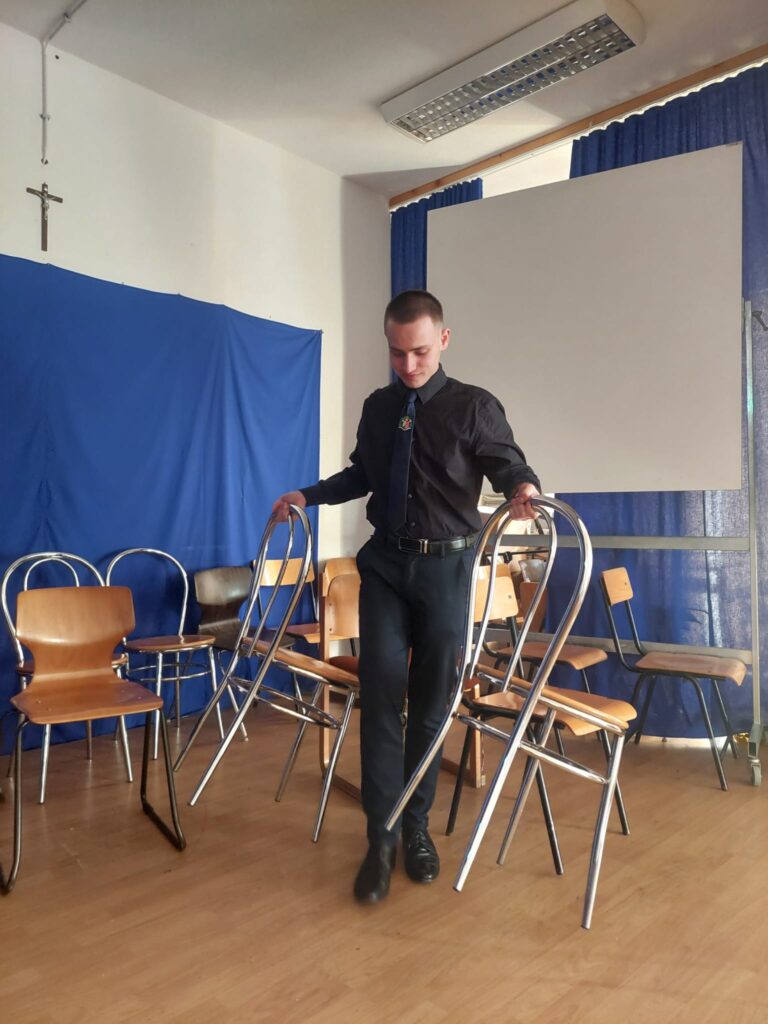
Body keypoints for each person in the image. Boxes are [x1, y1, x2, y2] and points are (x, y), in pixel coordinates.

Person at [272, 289, 540, 904]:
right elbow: (363, 474)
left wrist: (524, 488)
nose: (409, 365)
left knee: (430, 704)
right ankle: (381, 838)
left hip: (447, 571)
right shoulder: (379, 407)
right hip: (387, 569)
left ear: (443, 339)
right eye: (397, 353)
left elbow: (507, 465)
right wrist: (306, 495)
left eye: (419, 351)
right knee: (380, 694)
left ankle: (416, 828)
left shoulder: (474, 406)